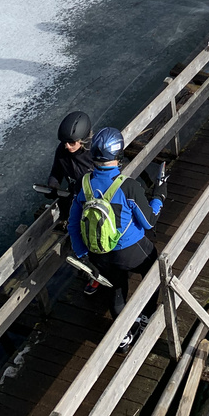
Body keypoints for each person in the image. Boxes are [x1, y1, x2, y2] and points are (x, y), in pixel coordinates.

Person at [67, 127, 165, 351]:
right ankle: (146, 316)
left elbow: (73, 224)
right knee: (153, 269)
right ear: (118, 155)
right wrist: (159, 195)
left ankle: (122, 338)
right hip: (129, 250)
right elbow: (149, 222)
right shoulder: (128, 186)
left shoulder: (84, 184)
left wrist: (83, 254)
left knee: (116, 288)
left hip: (98, 254)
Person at [48, 112, 93, 232]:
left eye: (72, 142)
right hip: (75, 197)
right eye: (64, 142)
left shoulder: (94, 152)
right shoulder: (62, 151)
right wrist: (53, 185)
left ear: (82, 140)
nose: (67, 146)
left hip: (95, 200)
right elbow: (56, 171)